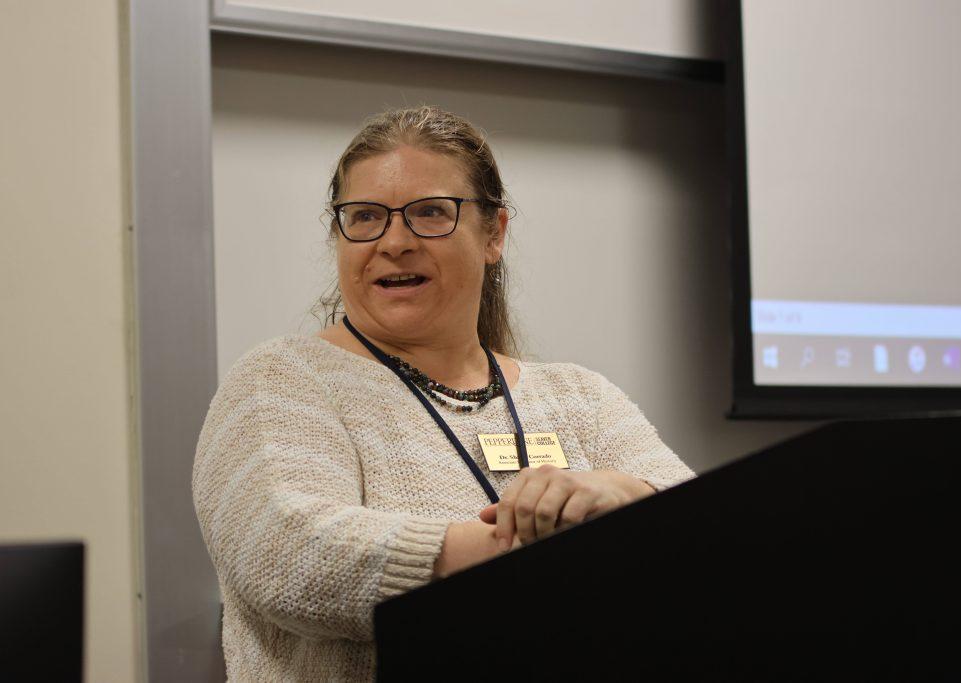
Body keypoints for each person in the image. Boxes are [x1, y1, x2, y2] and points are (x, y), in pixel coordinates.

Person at [192, 105, 696, 681]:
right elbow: (287, 556)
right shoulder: (282, 381)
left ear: (494, 234)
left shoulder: (578, 395)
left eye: (430, 213)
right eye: (365, 216)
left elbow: (712, 535)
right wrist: (541, 554)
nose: (395, 241)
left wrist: (619, 489)